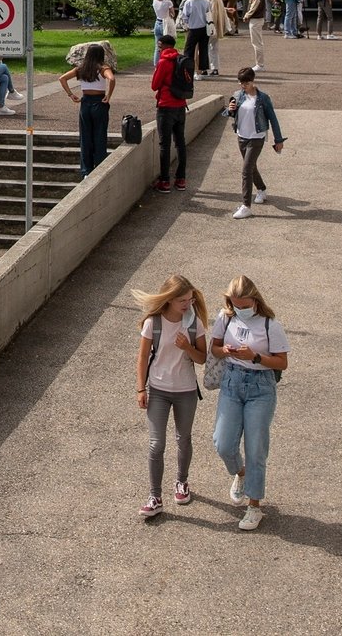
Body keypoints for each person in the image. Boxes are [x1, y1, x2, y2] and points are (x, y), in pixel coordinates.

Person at [210, 275, 290, 530]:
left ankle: (254, 506)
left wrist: (254, 356)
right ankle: (241, 474)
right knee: (222, 442)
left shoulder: (270, 324)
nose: (240, 310)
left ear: (255, 300)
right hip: (232, 382)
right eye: (235, 304)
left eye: (244, 305)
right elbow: (214, 348)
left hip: (260, 386)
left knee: (256, 448)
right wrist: (226, 352)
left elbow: (281, 362)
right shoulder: (225, 316)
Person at [134, 274, 209, 518]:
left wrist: (187, 346)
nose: (187, 304)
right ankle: (155, 497)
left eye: (189, 299)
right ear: (168, 300)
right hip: (158, 390)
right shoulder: (153, 323)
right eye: (181, 301)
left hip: (186, 390)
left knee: (183, 438)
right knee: (156, 445)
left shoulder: (193, 323)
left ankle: (182, 482)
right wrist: (140, 388)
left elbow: (202, 358)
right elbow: (143, 358)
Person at [225, 66, 286, 219]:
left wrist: (278, 139)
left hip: (256, 137)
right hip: (241, 136)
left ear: (252, 81)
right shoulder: (238, 95)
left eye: (245, 83)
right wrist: (230, 109)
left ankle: (246, 206)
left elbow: (273, 118)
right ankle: (262, 189)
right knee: (251, 167)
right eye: (240, 83)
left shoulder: (263, 98)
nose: (242, 86)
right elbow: (231, 114)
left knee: (246, 170)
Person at [59, 43, 116, 177]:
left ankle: (86, 170)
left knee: (85, 136)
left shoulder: (81, 69)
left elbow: (62, 78)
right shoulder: (103, 68)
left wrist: (71, 94)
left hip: (85, 102)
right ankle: (100, 166)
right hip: (99, 102)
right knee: (99, 135)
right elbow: (112, 79)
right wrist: (108, 95)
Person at [149, 36, 192, 191]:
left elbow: (155, 85)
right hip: (181, 105)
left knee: (164, 145)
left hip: (166, 107)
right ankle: (181, 179)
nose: (158, 48)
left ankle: (165, 181)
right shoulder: (182, 60)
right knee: (180, 143)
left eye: (160, 46)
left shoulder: (163, 62)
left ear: (165, 46)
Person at [177, 0, 214, 78]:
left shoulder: (188, 2)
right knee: (203, 50)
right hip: (204, 28)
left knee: (189, 50)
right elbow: (209, 14)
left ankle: (189, 69)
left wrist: (186, 25)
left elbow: (185, 16)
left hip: (193, 28)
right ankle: (202, 70)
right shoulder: (207, 2)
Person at [243, 0, 269, 73]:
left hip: (256, 20)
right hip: (255, 19)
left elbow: (254, 6)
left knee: (257, 43)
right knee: (257, 43)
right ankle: (259, 64)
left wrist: (246, 16)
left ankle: (260, 64)